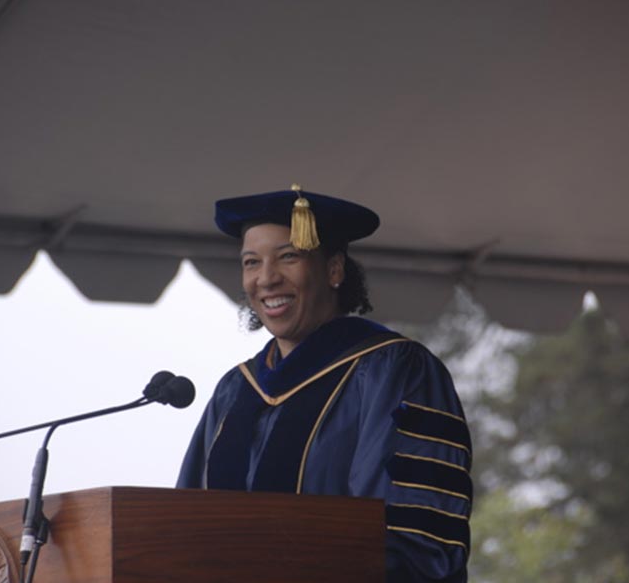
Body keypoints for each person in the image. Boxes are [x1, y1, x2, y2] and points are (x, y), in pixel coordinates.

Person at [177, 185, 471, 582]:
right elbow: (182, 525)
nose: (265, 279)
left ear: (334, 270)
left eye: (288, 257)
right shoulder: (235, 391)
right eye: (251, 262)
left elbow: (415, 536)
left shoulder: (392, 369)